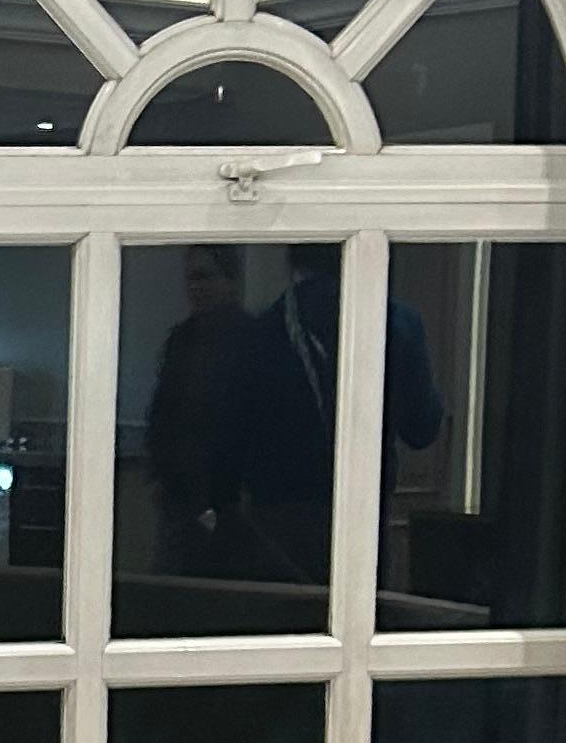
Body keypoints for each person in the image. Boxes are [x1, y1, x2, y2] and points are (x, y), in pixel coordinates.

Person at [213, 252, 443, 586]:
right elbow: (422, 429)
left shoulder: (262, 331)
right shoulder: (397, 322)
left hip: (278, 520)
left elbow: (228, 445)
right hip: (364, 516)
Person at [141, 244, 249, 573]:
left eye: (204, 277)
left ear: (230, 281)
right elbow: (164, 412)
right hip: (180, 490)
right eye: (191, 279)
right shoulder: (183, 341)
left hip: (229, 493)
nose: (195, 287)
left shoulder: (250, 342)